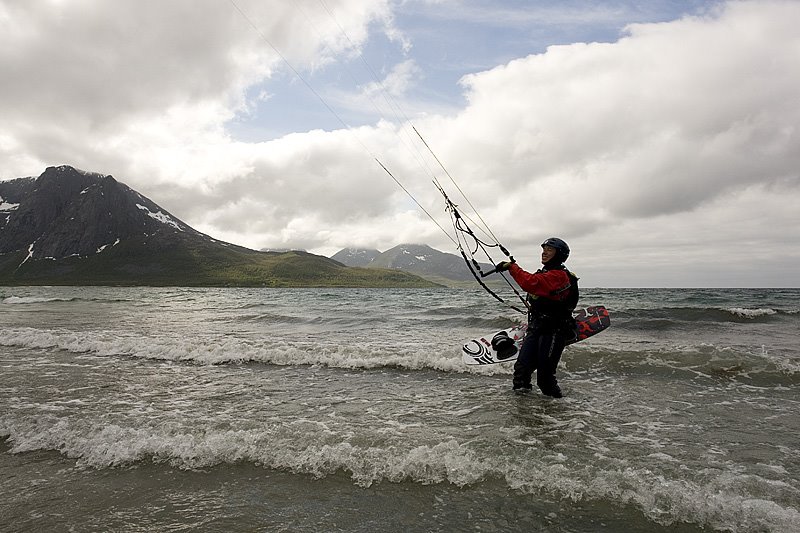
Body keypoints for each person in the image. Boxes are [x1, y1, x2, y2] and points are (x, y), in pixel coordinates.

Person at [496, 237, 579, 398]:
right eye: (544, 249)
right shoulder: (545, 273)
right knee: (521, 372)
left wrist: (512, 267)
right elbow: (535, 286)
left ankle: (560, 414)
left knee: (545, 379)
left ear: (559, 254)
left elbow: (530, 282)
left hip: (554, 330)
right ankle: (524, 412)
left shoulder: (560, 275)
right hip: (537, 327)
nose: (544, 252)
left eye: (550, 250)